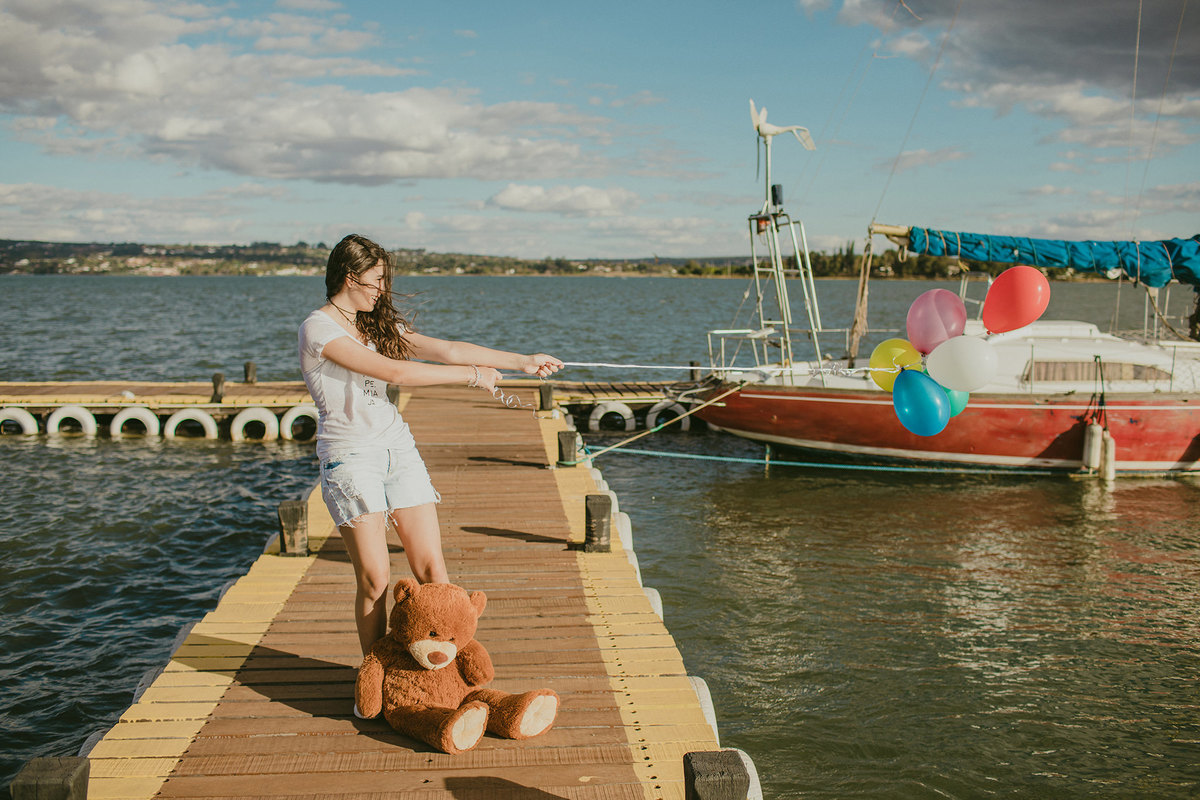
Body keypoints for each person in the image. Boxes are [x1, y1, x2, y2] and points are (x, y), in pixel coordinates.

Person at [298, 233, 562, 664]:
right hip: (351, 456)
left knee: (434, 573)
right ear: (350, 276)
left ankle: (445, 673)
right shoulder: (318, 328)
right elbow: (395, 372)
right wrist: (472, 376)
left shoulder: (374, 325)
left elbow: (448, 349)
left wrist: (523, 361)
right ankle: (377, 672)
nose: (382, 289)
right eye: (377, 280)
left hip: (397, 449)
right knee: (375, 579)